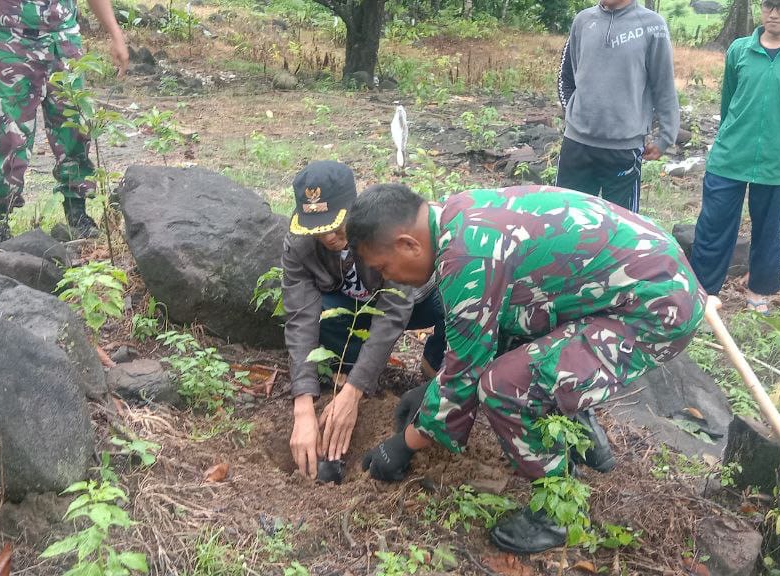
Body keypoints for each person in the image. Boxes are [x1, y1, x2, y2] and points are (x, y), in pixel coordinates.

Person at [346, 184, 705, 554]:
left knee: (505, 387)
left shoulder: (467, 259)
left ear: (408, 244)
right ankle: (580, 434)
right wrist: (430, 392)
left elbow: (466, 374)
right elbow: (487, 333)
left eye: (384, 268)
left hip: (654, 311)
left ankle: (557, 512)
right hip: (644, 280)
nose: (390, 278)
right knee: (521, 338)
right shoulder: (459, 214)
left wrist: (404, 444)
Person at [283, 161, 447, 480]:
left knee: (447, 303)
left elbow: (394, 311)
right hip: (355, 308)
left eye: (336, 226)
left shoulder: (379, 229)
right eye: (318, 229)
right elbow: (300, 318)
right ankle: (347, 373)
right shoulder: (299, 244)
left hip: (416, 301)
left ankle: (432, 368)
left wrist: (355, 390)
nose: (328, 236)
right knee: (322, 314)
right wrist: (302, 405)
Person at [0, 0, 129, 245]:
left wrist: (115, 33)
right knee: (7, 134)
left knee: (75, 129)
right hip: (12, 42)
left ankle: (77, 215)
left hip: (63, 43)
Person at [687, 0, 780, 314]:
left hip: (775, 157)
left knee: (768, 227)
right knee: (713, 225)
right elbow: (729, 99)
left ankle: (759, 291)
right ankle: (703, 294)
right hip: (730, 153)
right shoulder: (740, 50)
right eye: (767, 5)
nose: (773, 13)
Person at [555, 0, 679, 213]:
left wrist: (666, 138)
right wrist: (573, 115)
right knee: (568, 219)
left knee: (621, 226)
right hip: (576, 145)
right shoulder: (583, 20)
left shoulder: (652, 25)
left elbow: (664, 84)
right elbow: (568, 76)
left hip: (624, 149)